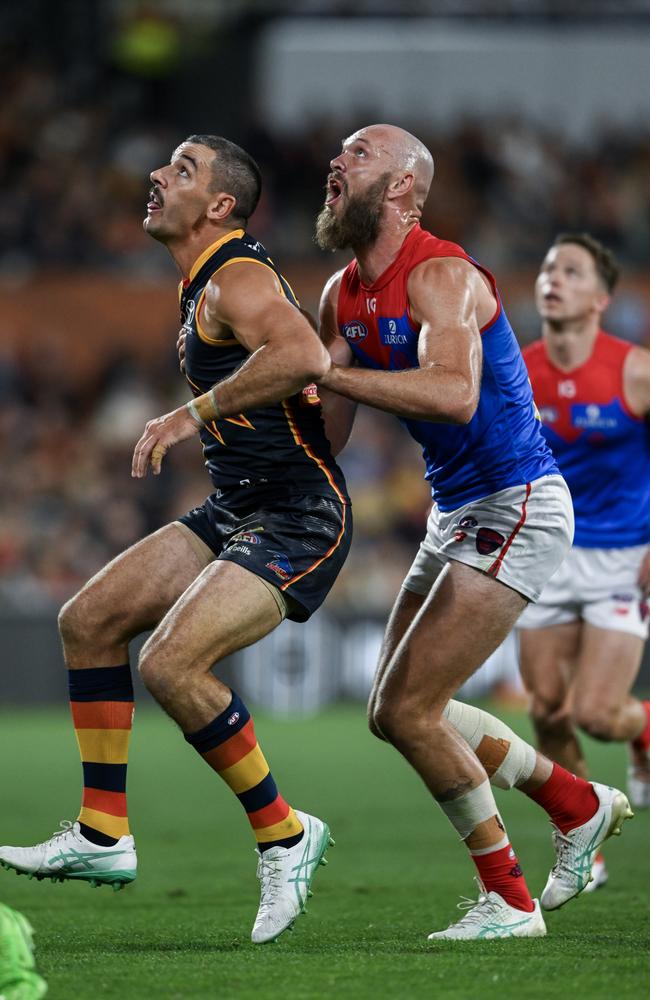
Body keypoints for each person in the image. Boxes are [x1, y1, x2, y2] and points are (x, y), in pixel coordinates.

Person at [0, 135, 352, 945]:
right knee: (87, 621)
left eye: (183, 170)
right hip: (239, 505)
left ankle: (286, 836)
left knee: (169, 662)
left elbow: (301, 351)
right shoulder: (204, 279)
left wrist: (187, 415)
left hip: (300, 514)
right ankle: (102, 833)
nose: (159, 175)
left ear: (221, 205)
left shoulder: (237, 275)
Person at [314, 123, 632, 941]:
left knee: (414, 711)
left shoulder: (442, 274)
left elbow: (456, 393)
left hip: (516, 501)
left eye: (357, 156)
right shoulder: (339, 293)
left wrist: (327, 370)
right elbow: (332, 432)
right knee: (394, 712)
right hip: (457, 509)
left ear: (400, 189)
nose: (334, 164)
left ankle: (511, 901)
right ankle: (577, 802)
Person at [517, 233, 650, 890]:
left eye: (571, 271)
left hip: (623, 557)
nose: (553, 278)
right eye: (547, 268)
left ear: (601, 298)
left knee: (598, 714)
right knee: (545, 708)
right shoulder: (517, 369)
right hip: (545, 552)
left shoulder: (637, 370)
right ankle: (580, 837)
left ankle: (642, 727)